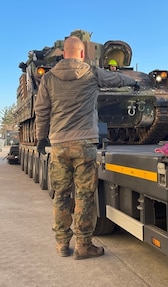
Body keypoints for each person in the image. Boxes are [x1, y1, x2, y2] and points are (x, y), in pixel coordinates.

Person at [35, 36, 139, 260]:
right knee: (84, 195)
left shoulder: (49, 78)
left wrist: (41, 139)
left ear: (64, 53)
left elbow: (42, 111)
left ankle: (62, 243)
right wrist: (133, 82)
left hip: (59, 145)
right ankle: (83, 245)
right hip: (85, 144)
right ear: (82, 54)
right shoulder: (92, 73)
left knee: (61, 194)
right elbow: (115, 79)